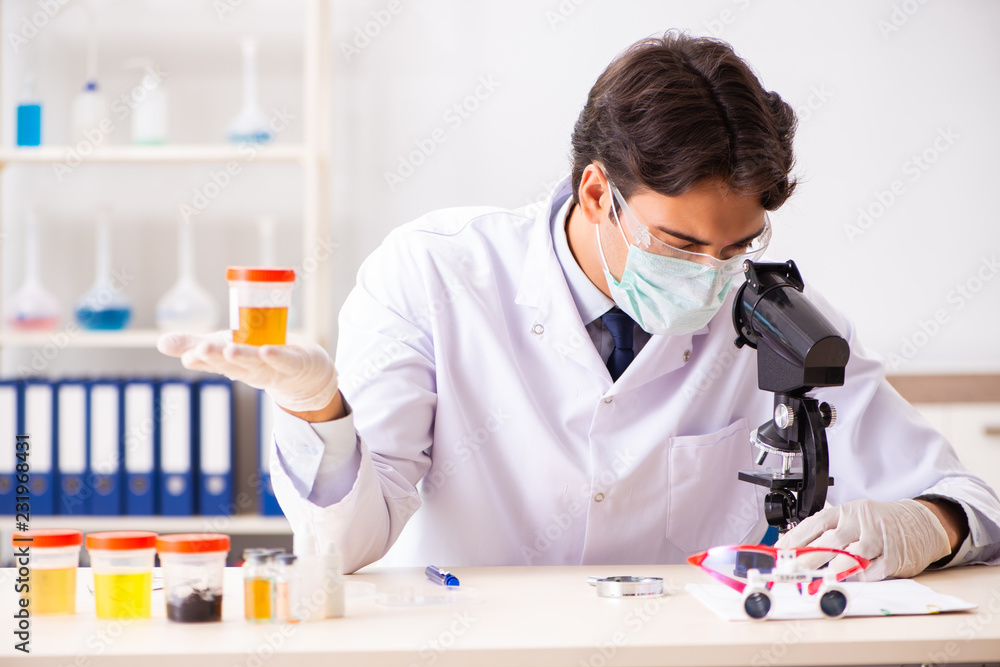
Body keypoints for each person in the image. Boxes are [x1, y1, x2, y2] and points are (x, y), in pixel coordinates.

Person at [160, 31, 1000, 578]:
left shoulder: (777, 318)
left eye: (736, 247)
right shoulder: (434, 275)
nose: (713, 279)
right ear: (598, 192)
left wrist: (928, 524)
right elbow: (343, 544)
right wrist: (319, 407)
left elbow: (969, 497)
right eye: (681, 244)